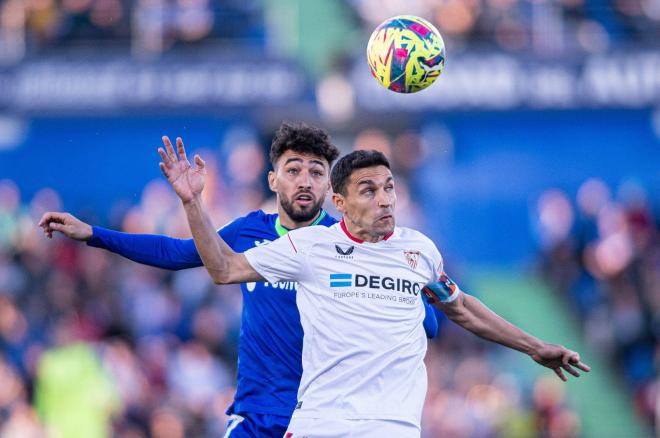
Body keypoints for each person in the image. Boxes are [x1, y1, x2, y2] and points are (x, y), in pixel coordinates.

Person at [163, 140, 591, 437]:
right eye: (368, 190)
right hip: (320, 426)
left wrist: (534, 346)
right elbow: (222, 268)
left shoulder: (419, 251)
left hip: (392, 428)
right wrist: (192, 202)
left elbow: (461, 308)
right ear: (340, 203)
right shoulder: (309, 247)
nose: (385, 199)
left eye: (389, 188)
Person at [38, 122, 440, 437]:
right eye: (293, 169)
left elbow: (425, 322)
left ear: (329, 186)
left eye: (316, 172)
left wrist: (413, 303)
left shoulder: (346, 245)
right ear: (272, 180)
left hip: (323, 418)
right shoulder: (248, 231)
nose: (304, 180)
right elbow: (177, 253)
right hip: (255, 413)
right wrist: (93, 233)